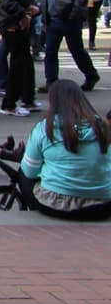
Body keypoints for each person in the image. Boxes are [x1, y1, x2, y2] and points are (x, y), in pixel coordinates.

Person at [20, 79, 111, 219]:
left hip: (56, 206)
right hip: (102, 206)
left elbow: (30, 172)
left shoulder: (45, 128)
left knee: (23, 172)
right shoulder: (102, 127)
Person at [42, 0, 100, 93]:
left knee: (76, 50)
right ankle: (51, 81)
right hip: (53, 19)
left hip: (69, 19)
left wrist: (73, 15)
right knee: (50, 52)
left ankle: (91, 75)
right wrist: (44, 17)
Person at [0, 0, 45, 117]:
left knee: (25, 64)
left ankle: (27, 99)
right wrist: (24, 13)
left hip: (15, 27)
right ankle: (9, 104)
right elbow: (9, 4)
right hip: (14, 27)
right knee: (18, 65)